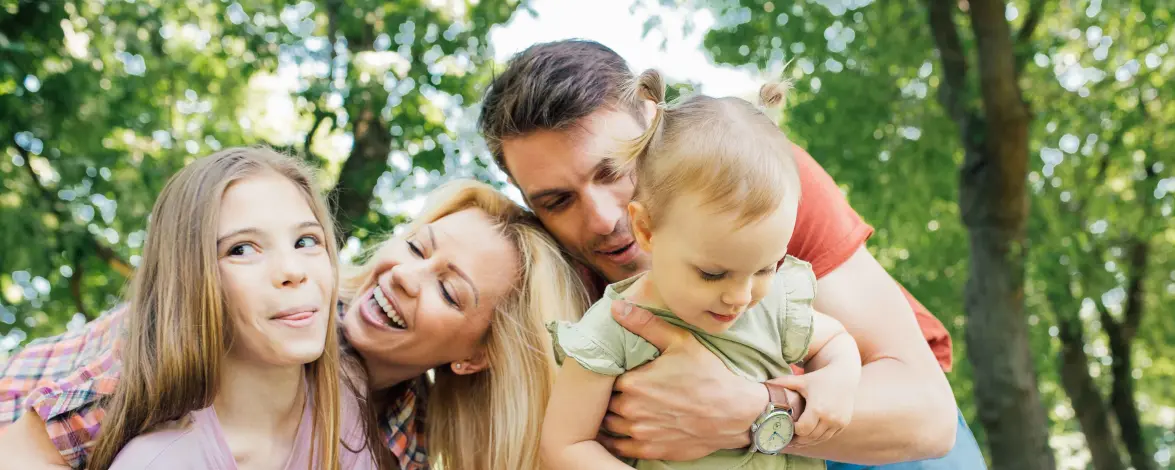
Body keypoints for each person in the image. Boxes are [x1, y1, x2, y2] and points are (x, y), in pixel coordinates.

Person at [478, 39, 987, 468]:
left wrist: (752, 413)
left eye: (613, 170)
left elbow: (926, 417)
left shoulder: (751, 184)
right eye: (557, 201)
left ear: (655, 124)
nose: (602, 219)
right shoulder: (546, 274)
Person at [0, 172, 588, 470]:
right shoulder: (254, 324)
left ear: (474, 357)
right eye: (416, 247)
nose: (406, 274)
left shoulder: (402, 434)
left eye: (449, 290)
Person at [541, 71, 863, 470]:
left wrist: (838, 380)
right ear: (645, 229)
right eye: (712, 273)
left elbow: (836, 342)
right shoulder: (612, 330)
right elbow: (565, 444)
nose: (741, 296)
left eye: (766, 267)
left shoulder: (771, 303)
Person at [76, 148, 384, 469]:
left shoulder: (347, 401)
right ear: (190, 282)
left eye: (306, 241)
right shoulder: (158, 461)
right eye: (242, 249)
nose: (292, 270)